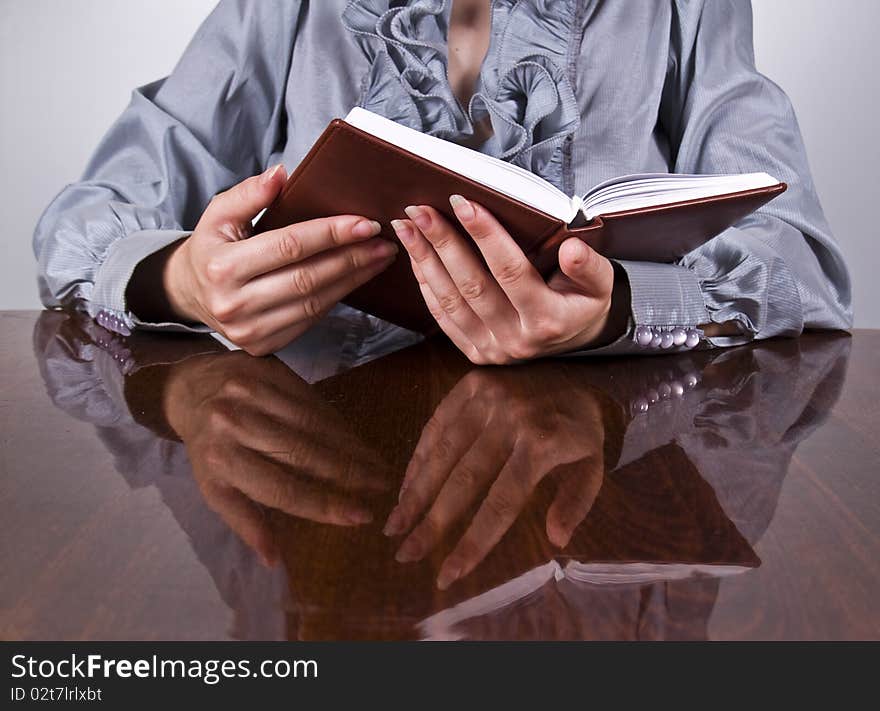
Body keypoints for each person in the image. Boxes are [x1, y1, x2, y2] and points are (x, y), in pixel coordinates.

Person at [33, 0, 852, 363]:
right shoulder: (285, 7)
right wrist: (184, 280)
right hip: (309, 464)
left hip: (597, 480)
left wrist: (619, 310)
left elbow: (805, 266)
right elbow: (90, 213)